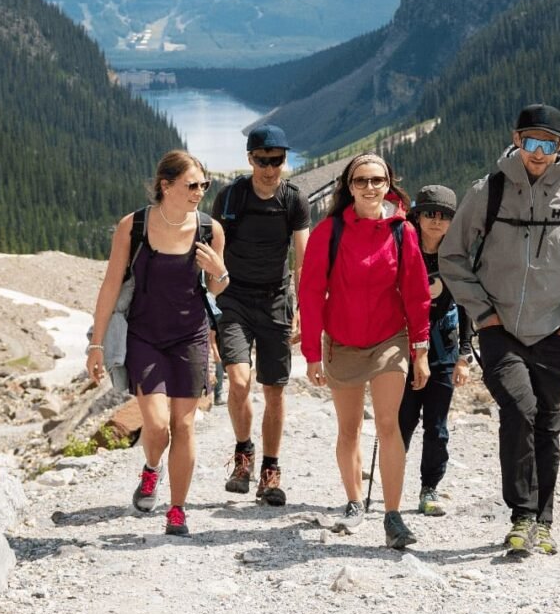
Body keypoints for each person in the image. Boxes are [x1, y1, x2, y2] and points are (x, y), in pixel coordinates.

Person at [439, 103, 560, 557]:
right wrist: (482, 313)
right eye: (531, 142)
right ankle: (521, 515)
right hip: (499, 328)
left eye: (548, 144)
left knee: (548, 422)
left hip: (555, 331)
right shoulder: (488, 192)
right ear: (516, 140)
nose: (538, 152)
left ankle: (544, 521)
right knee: (519, 409)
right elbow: (452, 255)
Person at [86, 150, 230, 537]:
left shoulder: (209, 230)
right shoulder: (133, 227)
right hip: (144, 336)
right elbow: (111, 285)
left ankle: (178, 509)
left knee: (184, 425)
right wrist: (96, 345)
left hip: (191, 337)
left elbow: (216, 288)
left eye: (205, 184)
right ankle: (152, 469)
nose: (200, 191)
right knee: (156, 423)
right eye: (192, 185)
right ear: (165, 186)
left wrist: (221, 272)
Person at [299, 152, 432, 549]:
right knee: (349, 429)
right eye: (362, 181)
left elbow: (417, 292)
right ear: (349, 186)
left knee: (388, 424)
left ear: (388, 184)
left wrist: (420, 348)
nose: (370, 188)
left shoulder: (402, 231)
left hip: (390, 341)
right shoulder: (330, 231)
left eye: (378, 180)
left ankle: (393, 516)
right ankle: (355, 501)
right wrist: (312, 353)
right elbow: (310, 293)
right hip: (342, 341)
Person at [209, 125, 310, 505]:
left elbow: (302, 260)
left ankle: (270, 469)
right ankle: (243, 455)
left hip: (276, 302)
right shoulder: (231, 198)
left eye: (278, 160)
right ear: (250, 159)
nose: (270, 168)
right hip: (234, 299)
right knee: (238, 381)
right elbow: (215, 253)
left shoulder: (293, 200)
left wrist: (301, 307)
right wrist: (210, 307)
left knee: (275, 390)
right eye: (263, 160)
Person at [397, 185, 474, 517]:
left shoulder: (459, 258)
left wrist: (465, 355)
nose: (436, 221)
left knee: (437, 426)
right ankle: (392, 485)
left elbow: (470, 307)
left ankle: (430, 488)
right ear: (417, 215)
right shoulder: (401, 249)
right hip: (402, 349)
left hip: (443, 351)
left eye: (444, 216)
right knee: (401, 421)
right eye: (429, 213)